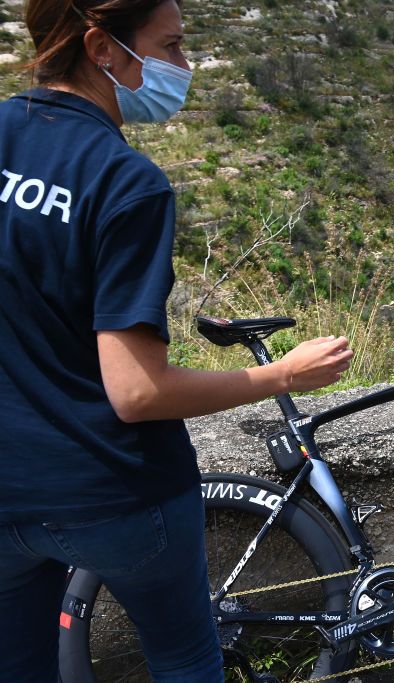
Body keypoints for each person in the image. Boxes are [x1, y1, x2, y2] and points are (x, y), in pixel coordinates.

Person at [0, 1, 354, 680]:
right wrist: (281, 375)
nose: (184, 68)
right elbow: (136, 391)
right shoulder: (125, 181)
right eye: (173, 46)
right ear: (102, 49)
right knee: (186, 655)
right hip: (114, 490)